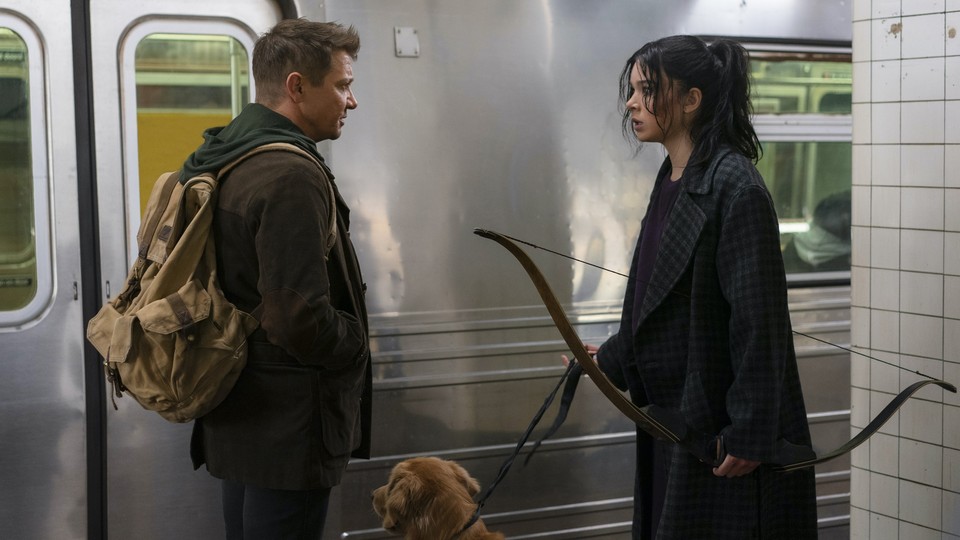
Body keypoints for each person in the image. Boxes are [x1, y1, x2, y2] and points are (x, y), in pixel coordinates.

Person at [589, 35, 817, 538]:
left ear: (692, 100)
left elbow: (759, 322)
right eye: (631, 90)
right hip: (674, 421)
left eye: (646, 89)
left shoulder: (735, 184)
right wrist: (607, 358)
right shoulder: (674, 175)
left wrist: (751, 431)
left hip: (717, 430)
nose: (630, 103)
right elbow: (658, 297)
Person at [186, 18, 371, 539]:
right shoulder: (291, 174)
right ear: (296, 87)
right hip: (288, 430)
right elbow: (297, 317)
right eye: (342, 85)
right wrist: (356, 342)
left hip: (240, 415)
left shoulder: (229, 154)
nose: (351, 102)